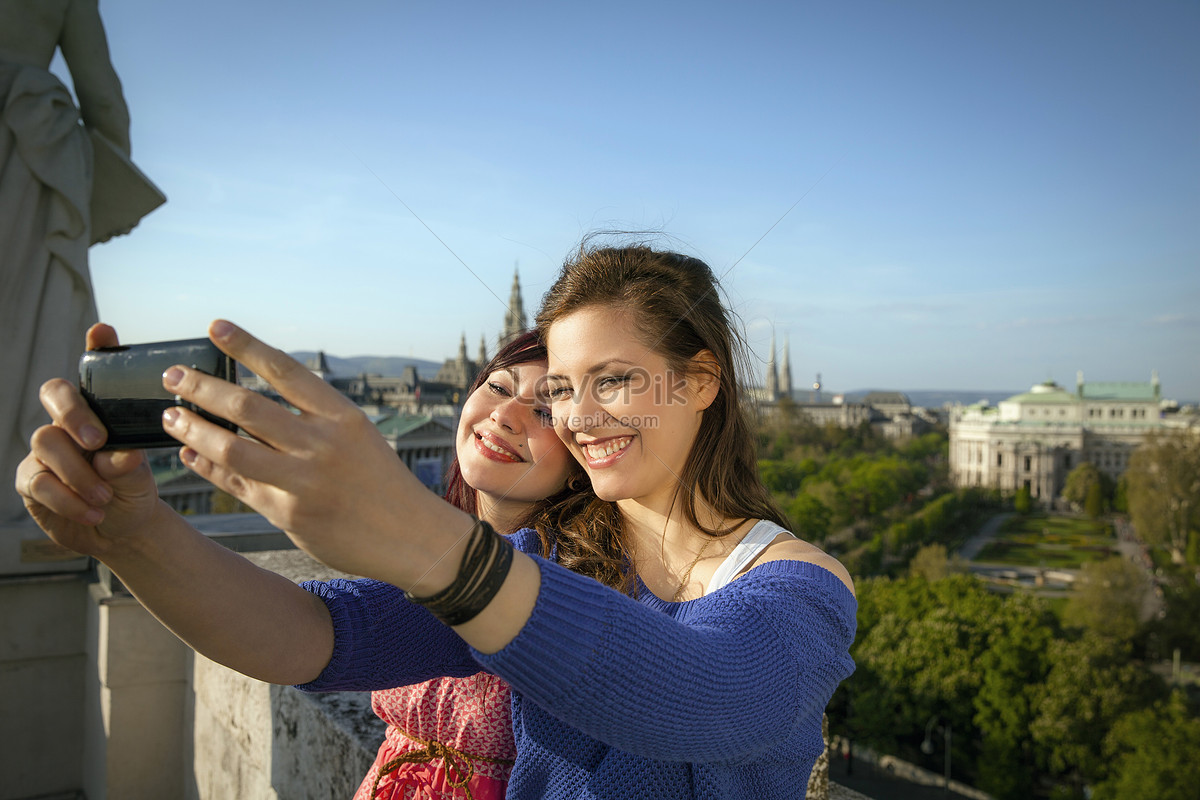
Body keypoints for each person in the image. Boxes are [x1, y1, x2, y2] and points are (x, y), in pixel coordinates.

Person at [19, 241, 856, 799]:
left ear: (701, 382)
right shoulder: (547, 560)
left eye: (615, 380)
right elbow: (314, 633)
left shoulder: (794, 583)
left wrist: (422, 540)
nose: (579, 416)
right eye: (563, 387)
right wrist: (133, 534)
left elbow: (697, 696)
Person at [19, 324, 579, 800]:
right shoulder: (434, 560)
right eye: (498, 386)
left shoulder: (574, 590)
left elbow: (315, 635)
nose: (506, 414)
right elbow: (320, 631)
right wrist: (129, 534)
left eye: (546, 410)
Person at [1, 0, 131, 523]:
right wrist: (108, 199)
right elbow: (102, 95)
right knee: (33, 324)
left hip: (29, 143)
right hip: (28, 146)